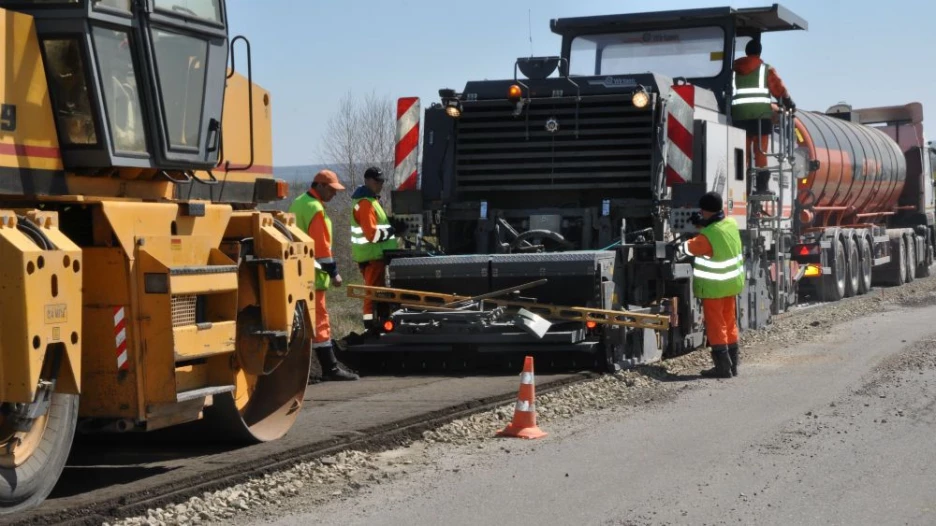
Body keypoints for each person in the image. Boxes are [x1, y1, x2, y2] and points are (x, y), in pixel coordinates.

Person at [288, 169, 359, 381]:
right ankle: (330, 368)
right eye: (332, 189)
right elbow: (322, 249)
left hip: (296, 273)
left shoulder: (298, 203)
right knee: (319, 321)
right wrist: (335, 273)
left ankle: (300, 372)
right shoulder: (315, 209)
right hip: (313, 276)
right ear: (319, 186)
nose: (334, 194)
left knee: (298, 323)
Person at [680, 191, 744, 378]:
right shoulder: (730, 224)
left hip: (714, 288)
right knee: (729, 323)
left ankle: (722, 368)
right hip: (731, 285)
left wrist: (686, 238)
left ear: (704, 210)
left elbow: (688, 248)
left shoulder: (706, 237)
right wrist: (704, 224)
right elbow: (717, 232)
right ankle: (733, 366)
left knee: (716, 326)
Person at [731, 39, 795, 195]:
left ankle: (742, 186)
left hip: (738, 116)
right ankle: (761, 187)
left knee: (742, 152)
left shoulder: (734, 70)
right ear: (759, 53)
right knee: (760, 151)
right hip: (760, 116)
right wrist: (789, 102)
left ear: (746, 53)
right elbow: (779, 88)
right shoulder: (765, 70)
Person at [350, 167, 407, 329]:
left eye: (382, 181)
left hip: (375, 257)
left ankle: (380, 322)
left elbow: (377, 225)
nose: (380, 184)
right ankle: (371, 325)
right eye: (377, 181)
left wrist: (390, 223)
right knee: (373, 293)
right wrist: (393, 230)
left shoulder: (371, 201)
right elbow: (372, 235)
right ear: (367, 180)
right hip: (372, 256)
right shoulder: (365, 203)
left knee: (378, 292)